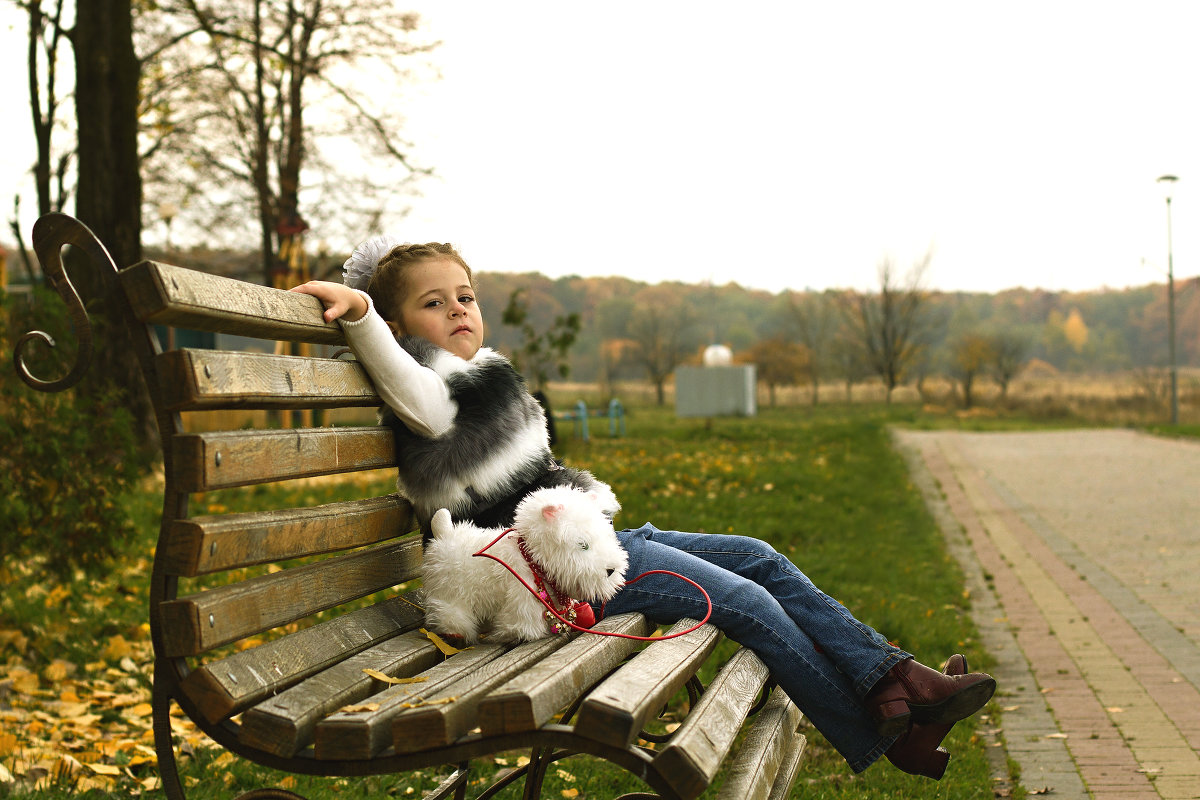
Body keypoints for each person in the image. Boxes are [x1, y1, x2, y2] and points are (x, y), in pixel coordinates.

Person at [291, 237, 996, 780]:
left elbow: (535, 467)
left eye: (465, 296)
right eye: (433, 302)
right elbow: (407, 384)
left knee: (759, 557)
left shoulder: (481, 377)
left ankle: (894, 680)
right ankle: (892, 728)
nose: (457, 311)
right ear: (398, 325)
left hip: (586, 539)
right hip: (549, 572)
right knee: (746, 600)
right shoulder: (427, 385)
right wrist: (359, 318)